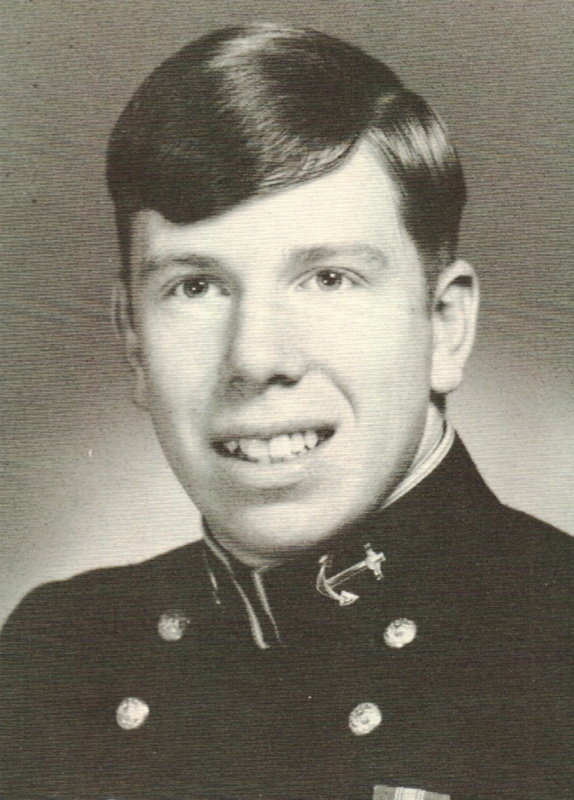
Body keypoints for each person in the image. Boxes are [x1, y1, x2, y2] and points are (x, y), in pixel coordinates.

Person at [1, 23, 572, 800]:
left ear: (445, 326)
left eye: (329, 278)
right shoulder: (57, 659)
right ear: (134, 340)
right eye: (195, 287)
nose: (256, 358)